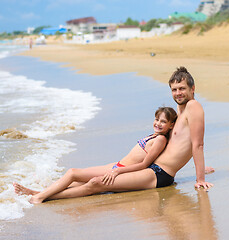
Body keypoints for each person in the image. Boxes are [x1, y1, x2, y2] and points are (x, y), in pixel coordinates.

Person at [14, 66, 213, 203]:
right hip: (151, 169)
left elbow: (198, 144)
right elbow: (180, 144)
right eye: (174, 89)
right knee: (81, 176)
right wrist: (202, 166)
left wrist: (200, 177)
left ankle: (40, 197)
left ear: (192, 89)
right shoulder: (182, 110)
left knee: (96, 183)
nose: (178, 93)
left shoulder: (194, 106)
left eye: (182, 89)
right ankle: (41, 194)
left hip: (160, 175)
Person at [14, 106, 177, 203]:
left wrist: (118, 171)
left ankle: (39, 197)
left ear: (171, 125)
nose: (158, 123)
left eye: (163, 121)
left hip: (120, 170)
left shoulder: (160, 140)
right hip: (117, 165)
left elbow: (144, 164)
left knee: (74, 174)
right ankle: (38, 193)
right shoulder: (154, 135)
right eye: (157, 119)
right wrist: (116, 167)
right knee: (75, 180)